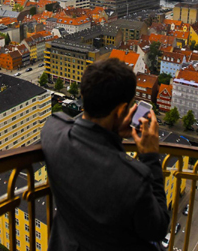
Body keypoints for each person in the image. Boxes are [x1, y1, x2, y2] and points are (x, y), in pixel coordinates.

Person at [41, 58, 169, 251]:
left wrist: (113, 131)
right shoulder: (132, 179)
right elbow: (157, 229)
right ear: (119, 111)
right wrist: (150, 157)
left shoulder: (52, 135)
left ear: (84, 95)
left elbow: (63, 122)